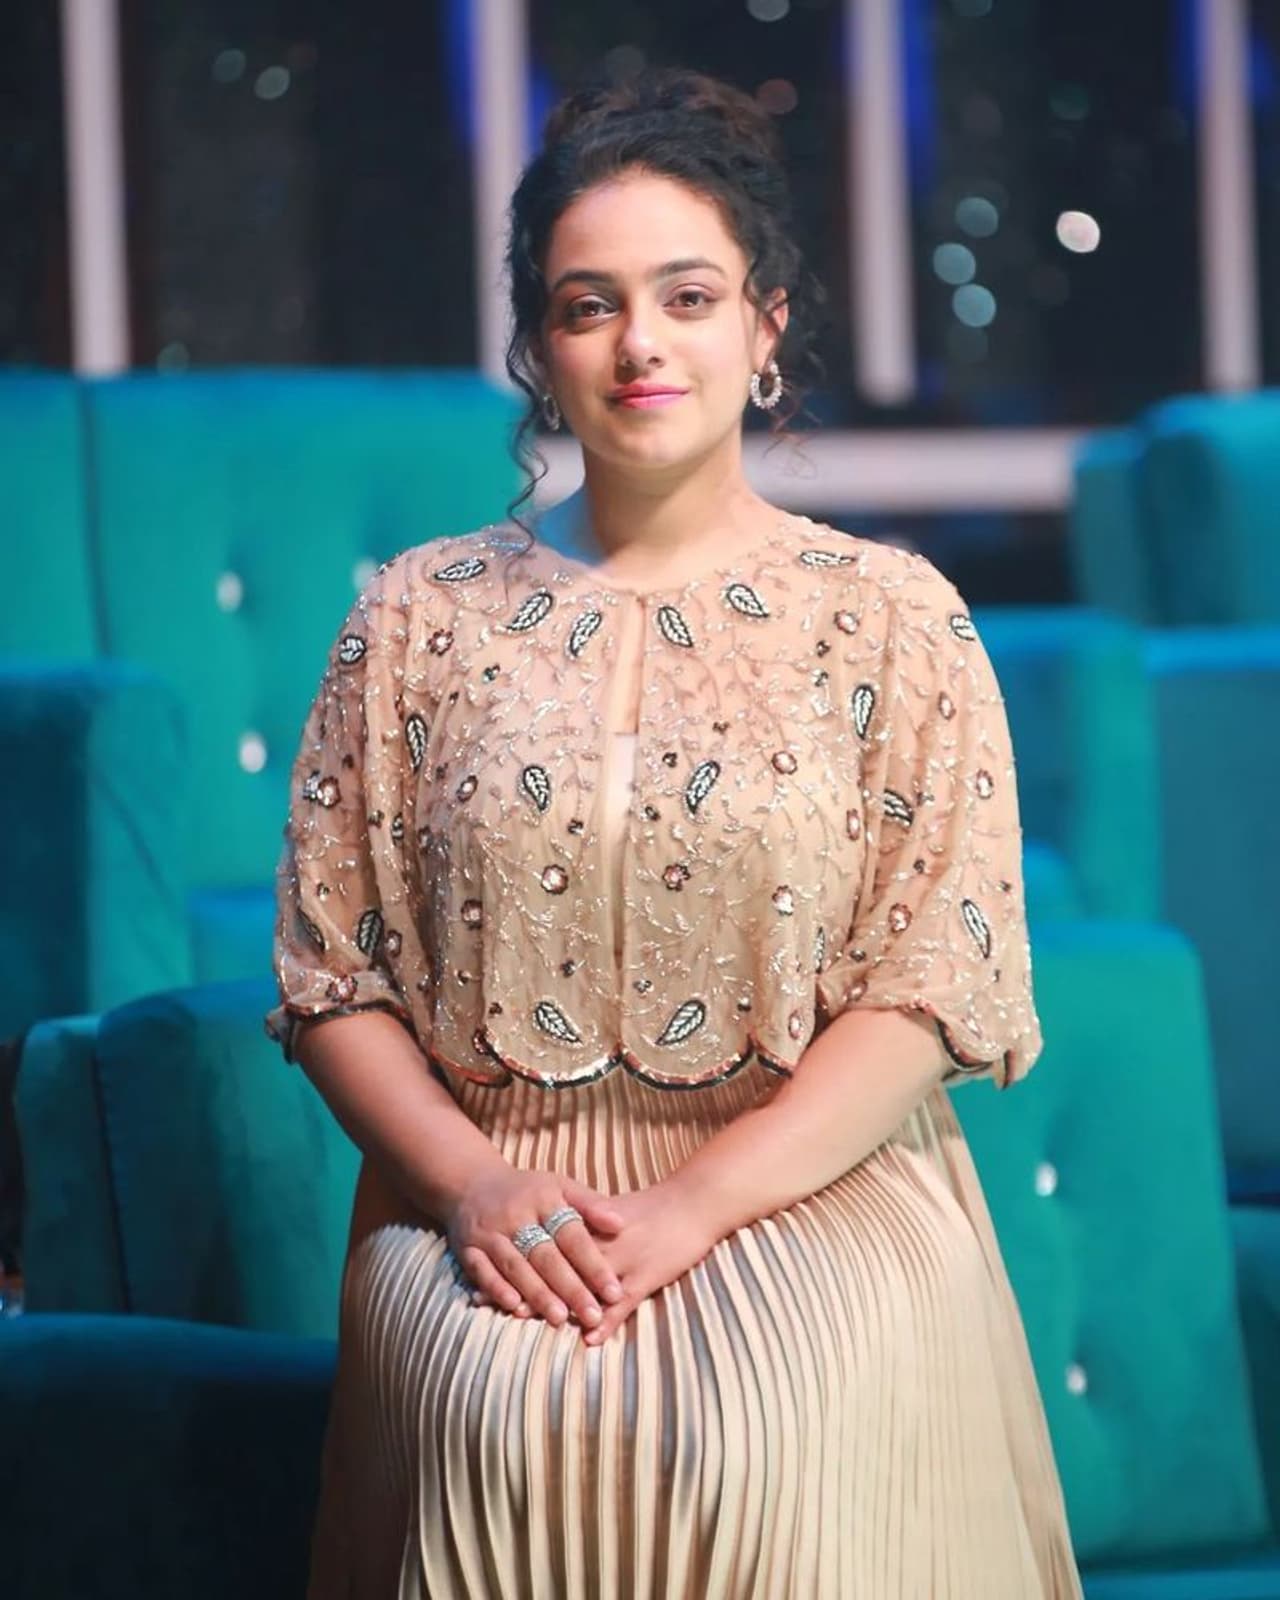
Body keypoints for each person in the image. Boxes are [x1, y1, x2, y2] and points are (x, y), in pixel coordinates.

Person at [266, 66, 1084, 1598]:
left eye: (688, 297)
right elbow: (334, 980)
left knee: (757, 1429)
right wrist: (473, 1188)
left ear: (766, 328)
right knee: (495, 1416)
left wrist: (697, 1207)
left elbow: (930, 988)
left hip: (816, 1180)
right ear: (540, 350)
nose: (640, 342)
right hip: (488, 1191)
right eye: (590, 307)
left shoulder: (895, 620)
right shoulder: (416, 620)